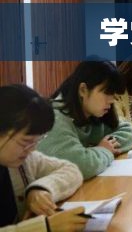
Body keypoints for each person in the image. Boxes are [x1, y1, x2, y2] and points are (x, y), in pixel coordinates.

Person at [0, 85, 88, 232]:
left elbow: (71, 170)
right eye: (26, 142)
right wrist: (44, 227)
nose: (32, 149)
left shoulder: (26, 161)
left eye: (36, 141)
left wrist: (39, 189)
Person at [37, 59, 132, 180]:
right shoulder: (54, 118)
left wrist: (101, 148)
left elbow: (128, 132)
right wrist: (104, 150)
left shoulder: (92, 115)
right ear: (83, 90)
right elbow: (81, 165)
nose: (111, 100)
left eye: (113, 95)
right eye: (107, 93)